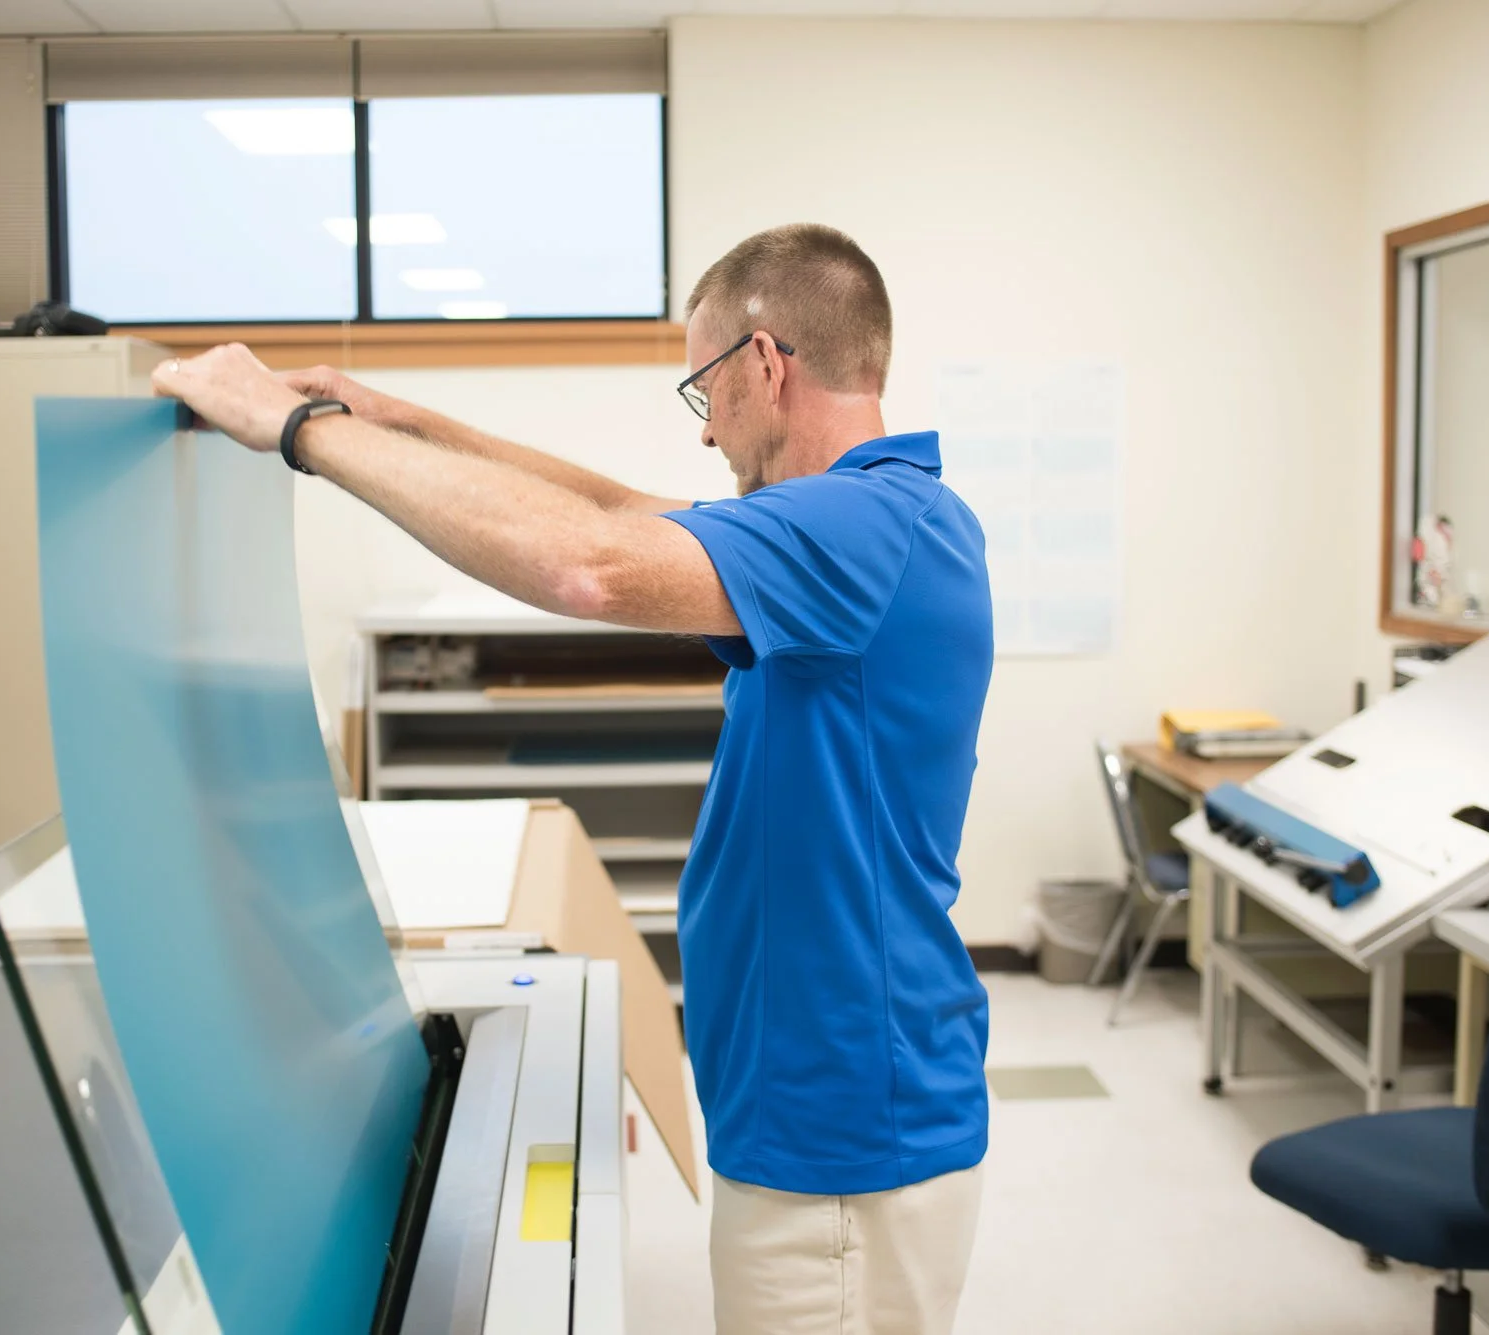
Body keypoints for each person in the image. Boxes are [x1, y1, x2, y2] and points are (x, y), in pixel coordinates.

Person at [155, 223, 994, 1335]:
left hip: (839, 1129)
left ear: (763, 363)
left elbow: (587, 564)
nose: (706, 437)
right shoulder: (878, 519)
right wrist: (398, 421)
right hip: (818, 1093)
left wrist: (298, 433)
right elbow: (614, 512)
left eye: (705, 391)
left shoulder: (860, 527)